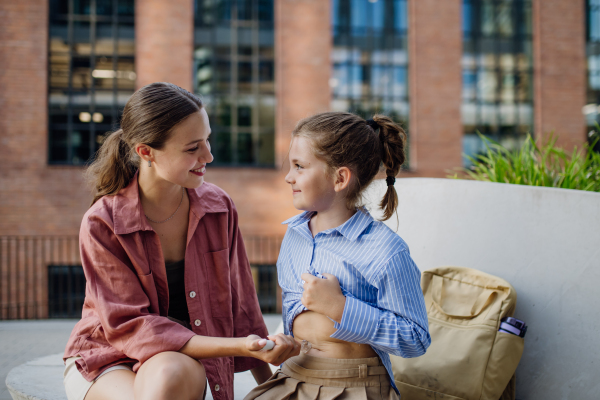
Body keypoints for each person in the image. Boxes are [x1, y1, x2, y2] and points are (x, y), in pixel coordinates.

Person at [62, 82, 300, 400]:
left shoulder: (218, 207)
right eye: (192, 148)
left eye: (207, 140)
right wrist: (241, 346)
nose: (209, 156)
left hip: (179, 364)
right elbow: (131, 327)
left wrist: (269, 384)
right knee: (169, 373)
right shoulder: (103, 222)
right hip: (107, 358)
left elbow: (242, 305)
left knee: (173, 370)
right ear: (145, 152)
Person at [244, 112, 431, 400]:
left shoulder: (385, 249)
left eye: (299, 166)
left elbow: (415, 340)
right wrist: (285, 343)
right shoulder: (294, 236)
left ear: (340, 177)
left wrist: (340, 307)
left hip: (355, 385)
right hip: (293, 374)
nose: (288, 176)